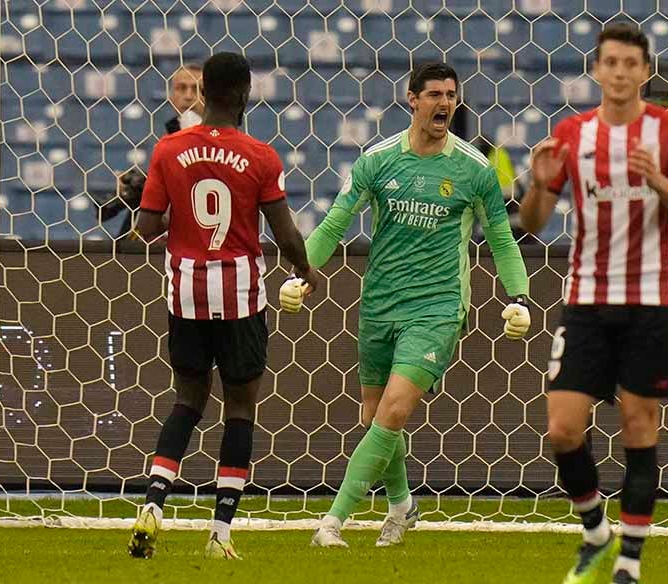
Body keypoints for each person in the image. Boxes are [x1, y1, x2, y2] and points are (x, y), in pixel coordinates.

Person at [280, 62, 531, 549]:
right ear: (411, 99)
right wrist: (302, 273)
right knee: (373, 417)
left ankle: (332, 522)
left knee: (393, 412)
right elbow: (335, 222)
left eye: (451, 95)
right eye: (434, 93)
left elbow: (500, 236)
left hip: (437, 307)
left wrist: (517, 294)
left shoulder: (474, 169)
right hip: (379, 304)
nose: (444, 102)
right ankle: (402, 505)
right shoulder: (377, 161)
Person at [519, 23, 668, 584]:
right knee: (562, 429)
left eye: (632, 63)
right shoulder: (573, 135)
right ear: (597, 71)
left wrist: (660, 183)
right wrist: (537, 186)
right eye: (612, 63)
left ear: (646, 72)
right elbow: (531, 223)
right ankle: (595, 528)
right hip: (587, 299)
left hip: (654, 301)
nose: (622, 73)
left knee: (638, 424)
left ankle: (629, 561)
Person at [128, 52, 318, 560]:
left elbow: (145, 228)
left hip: (185, 292)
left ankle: (153, 502)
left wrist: (166, 213)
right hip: (239, 296)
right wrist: (304, 269)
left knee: (188, 401)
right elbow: (284, 231)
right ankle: (220, 534)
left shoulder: (168, 150)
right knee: (239, 407)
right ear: (243, 95)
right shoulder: (261, 155)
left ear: (205, 93)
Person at [98, 63, 205, 239]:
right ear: (171, 96)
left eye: (197, 89)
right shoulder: (167, 140)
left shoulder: (221, 141)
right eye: (181, 88)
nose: (188, 96)